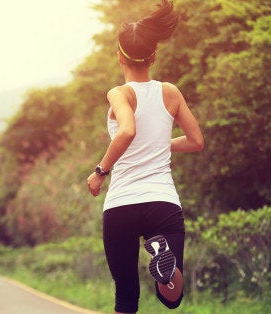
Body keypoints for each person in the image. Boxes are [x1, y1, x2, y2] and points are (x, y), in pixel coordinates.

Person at [86, 1, 204, 313]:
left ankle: (162, 264)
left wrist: (100, 171)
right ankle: (163, 260)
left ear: (119, 56)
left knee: (126, 298)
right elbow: (196, 141)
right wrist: (160, 145)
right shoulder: (171, 92)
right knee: (171, 298)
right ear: (153, 56)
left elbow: (127, 131)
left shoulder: (119, 93)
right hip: (161, 202)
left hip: (121, 205)